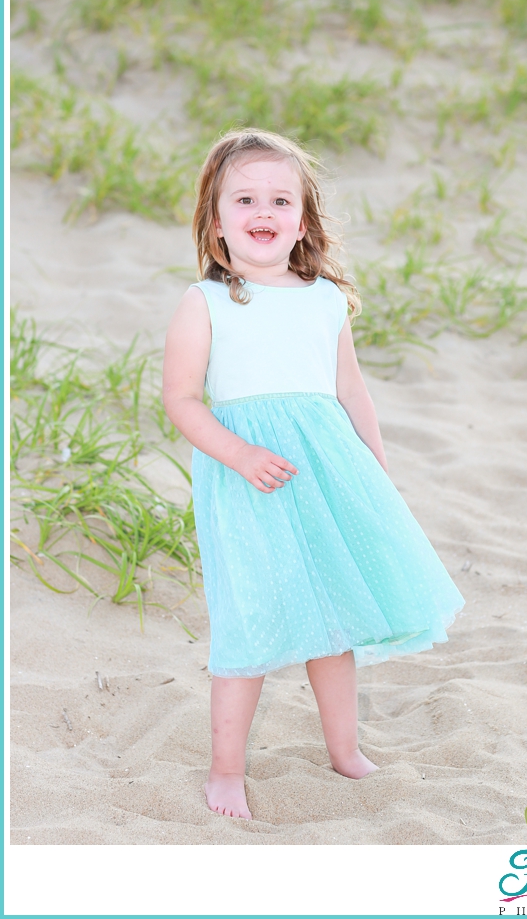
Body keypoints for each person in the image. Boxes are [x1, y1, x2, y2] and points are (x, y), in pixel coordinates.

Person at [163, 128, 464, 820]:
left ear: (303, 220)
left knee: (335, 616)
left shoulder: (324, 299)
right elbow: (180, 399)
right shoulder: (204, 304)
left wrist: (375, 469)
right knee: (250, 620)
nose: (261, 211)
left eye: (279, 199)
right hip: (249, 480)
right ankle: (226, 771)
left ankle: (343, 749)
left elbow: (352, 392)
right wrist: (239, 456)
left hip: (327, 472)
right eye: (244, 199)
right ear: (216, 221)